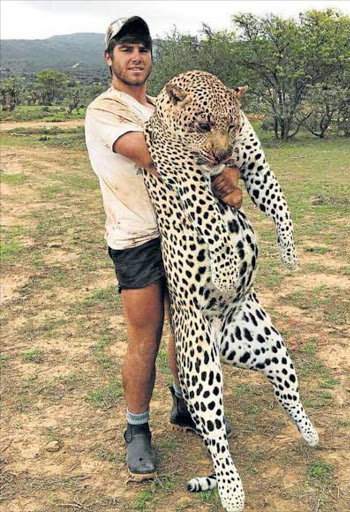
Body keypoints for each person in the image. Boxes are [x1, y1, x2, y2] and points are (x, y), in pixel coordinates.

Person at [85, 16, 242, 480]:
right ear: (109, 57)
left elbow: (208, 147)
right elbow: (158, 153)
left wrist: (226, 168)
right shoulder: (105, 111)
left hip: (189, 233)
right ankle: (136, 431)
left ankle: (185, 405)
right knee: (145, 337)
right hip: (137, 238)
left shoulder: (163, 107)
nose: (136, 57)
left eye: (143, 49)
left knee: (190, 329)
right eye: (126, 48)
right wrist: (223, 161)